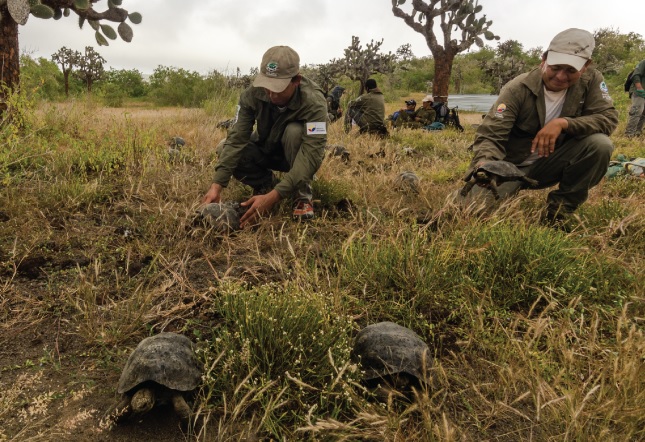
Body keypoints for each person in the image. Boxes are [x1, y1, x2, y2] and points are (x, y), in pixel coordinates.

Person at [461, 28, 618, 223]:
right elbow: (490, 136)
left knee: (600, 145)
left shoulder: (592, 81)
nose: (561, 76)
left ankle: (560, 212)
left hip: (552, 163)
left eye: (570, 70)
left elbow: (608, 118)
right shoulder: (517, 88)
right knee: (466, 213)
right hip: (509, 169)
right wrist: (487, 165)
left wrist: (564, 123)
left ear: (585, 67)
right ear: (543, 60)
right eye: (555, 67)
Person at [202, 45, 328, 227]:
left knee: (294, 131)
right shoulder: (252, 94)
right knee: (224, 147)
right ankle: (267, 185)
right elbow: (237, 138)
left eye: (278, 88)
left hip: (296, 155)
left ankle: (301, 196)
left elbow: (311, 155)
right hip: (265, 148)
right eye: (268, 87)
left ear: (296, 80)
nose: (271, 94)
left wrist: (275, 197)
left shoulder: (314, 102)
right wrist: (217, 184)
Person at [625, 59, 645, 137]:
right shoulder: (644, 62)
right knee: (637, 111)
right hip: (639, 91)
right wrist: (639, 88)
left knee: (643, 113)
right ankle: (629, 134)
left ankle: (637, 132)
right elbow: (636, 75)